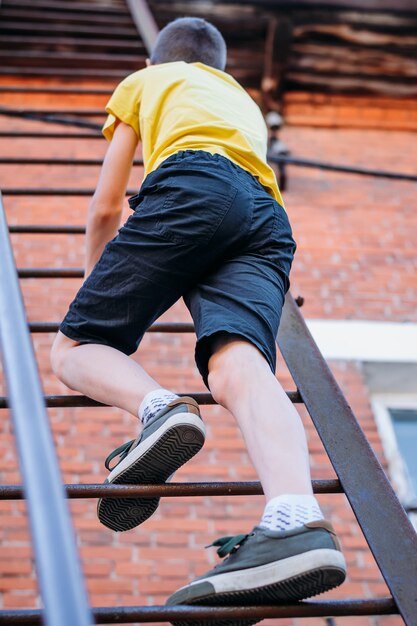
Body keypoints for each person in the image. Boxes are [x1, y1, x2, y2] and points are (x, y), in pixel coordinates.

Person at [50, 16, 346, 621]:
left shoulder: (146, 80)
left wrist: (95, 288)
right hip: (266, 218)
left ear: (161, 60)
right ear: (221, 68)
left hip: (193, 184)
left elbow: (107, 203)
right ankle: (295, 516)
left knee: (74, 349)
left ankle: (160, 410)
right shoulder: (243, 103)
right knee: (237, 362)